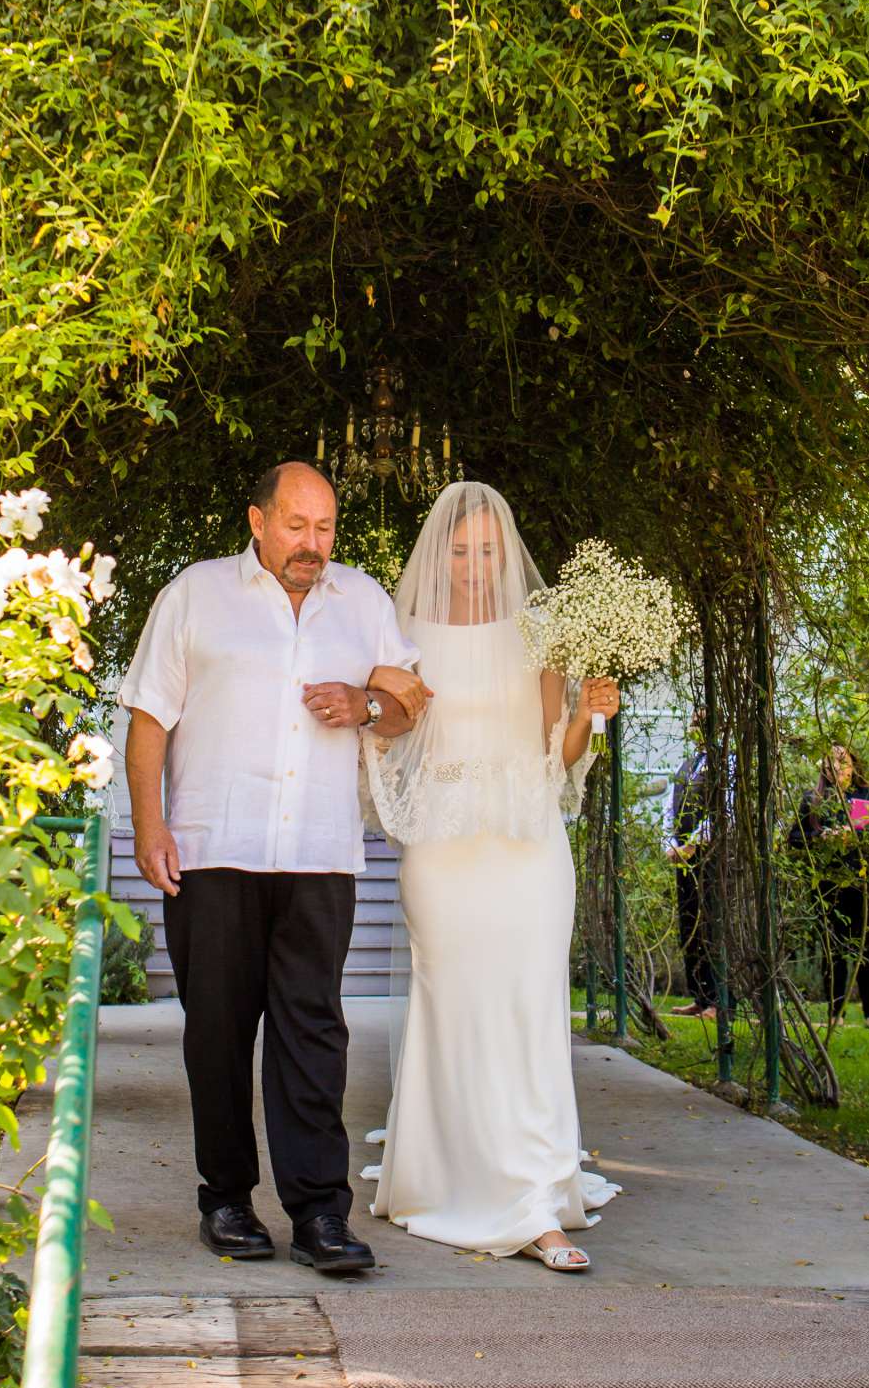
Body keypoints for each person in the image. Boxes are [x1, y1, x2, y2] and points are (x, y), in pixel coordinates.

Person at [121, 460, 430, 1276]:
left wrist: (366, 705)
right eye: (297, 526)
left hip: (319, 857)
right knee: (218, 1033)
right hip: (212, 847)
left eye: (324, 528)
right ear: (257, 521)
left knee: (313, 1034)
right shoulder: (195, 593)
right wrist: (150, 824)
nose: (312, 544)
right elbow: (150, 714)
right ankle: (224, 1199)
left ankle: (322, 1216)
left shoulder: (361, 600)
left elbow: (410, 698)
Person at [361, 482, 623, 1273]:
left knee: (529, 1009)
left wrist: (588, 713)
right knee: (455, 1005)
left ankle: (536, 1197)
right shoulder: (402, 632)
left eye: (489, 551)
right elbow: (387, 735)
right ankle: (446, 1175)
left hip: (529, 842)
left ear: (509, 555)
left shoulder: (543, 632)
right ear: (440, 554)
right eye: (462, 551)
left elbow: (560, 753)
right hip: (444, 847)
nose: (475, 565)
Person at [790, 744, 869, 1028]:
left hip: (864, 880)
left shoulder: (868, 796)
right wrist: (820, 837)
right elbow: (795, 837)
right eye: (832, 765)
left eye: (843, 764)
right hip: (828, 882)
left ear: (853, 765)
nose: (838, 770)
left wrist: (854, 836)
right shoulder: (814, 800)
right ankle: (836, 1012)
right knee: (833, 946)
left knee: (865, 945)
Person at [665, 709, 718, 1020]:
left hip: (709, 856)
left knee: (710, 923)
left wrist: (696, 842)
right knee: (690, 924)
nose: (693, 728)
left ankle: (718, 1000)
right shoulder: (687, 765)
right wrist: (672, 845)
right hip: (684, 855)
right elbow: (670, 808)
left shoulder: (726, 762)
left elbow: (724, 808)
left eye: (700, 722)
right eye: (693, 723)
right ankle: (699, 995)